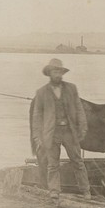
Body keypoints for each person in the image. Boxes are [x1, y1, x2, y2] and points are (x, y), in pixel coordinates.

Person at [32, 58, 91, 199]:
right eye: (54, 71)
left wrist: (83, 127)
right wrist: (37, 137)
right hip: (52, 133)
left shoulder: (71, 88)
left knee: (78, 161)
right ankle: (54, 190)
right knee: (53, 164)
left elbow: (79, 109)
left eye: (59, 71)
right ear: (49, 73)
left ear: (62, 73)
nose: (57, 74)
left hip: (70, 132)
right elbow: (37, 116)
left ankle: (86, 190)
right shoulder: (41, 93)